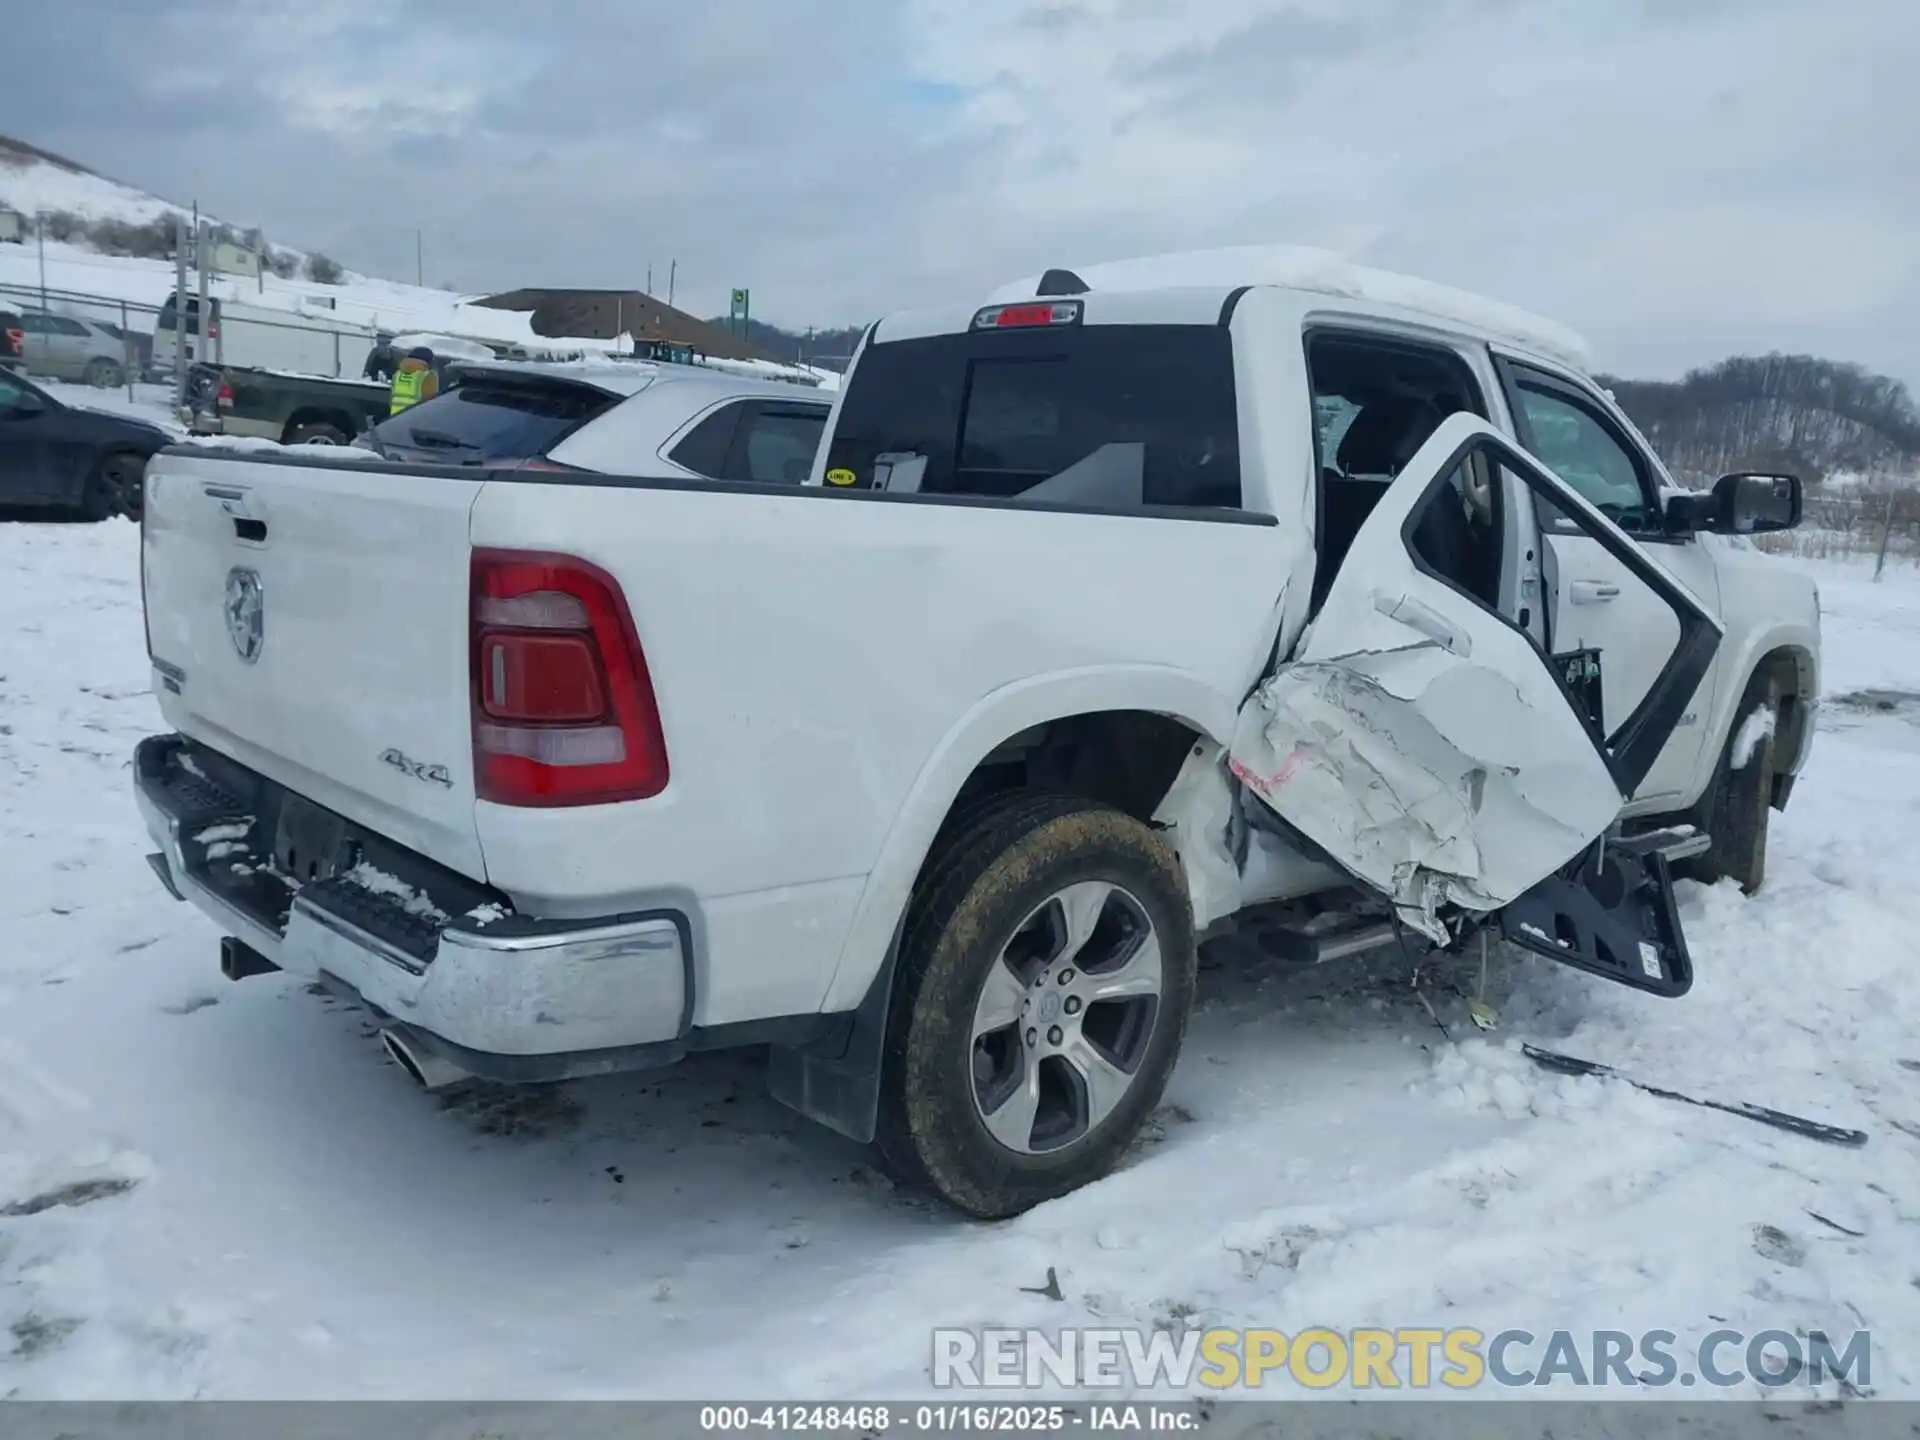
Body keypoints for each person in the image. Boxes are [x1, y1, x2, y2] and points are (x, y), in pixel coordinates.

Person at [388, 345, 438, 414]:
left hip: (395, 419)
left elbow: (391, 399)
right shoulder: (428, 376)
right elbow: (430, 403)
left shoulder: (397, 375)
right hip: (415, 419)